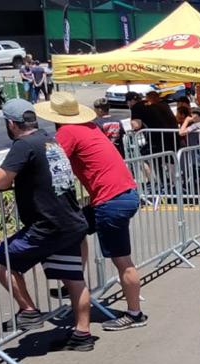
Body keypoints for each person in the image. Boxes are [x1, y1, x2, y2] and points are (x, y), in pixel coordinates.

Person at [34, 92, 148, 331]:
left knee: (122, 260)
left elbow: (51, 164)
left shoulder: (67, 132)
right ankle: (75, 280)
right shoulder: (89, 127)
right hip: (120, 194)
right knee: (78, 228)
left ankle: (135, 314)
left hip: (112, 201)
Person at [0, 99, 94, 351]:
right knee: (74, 279)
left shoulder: (23, 144)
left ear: (11, 124)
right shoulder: (50, 140)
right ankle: (83, 334)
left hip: (48, 225)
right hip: (71, 221)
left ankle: (28, 310)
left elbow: (0, 181)